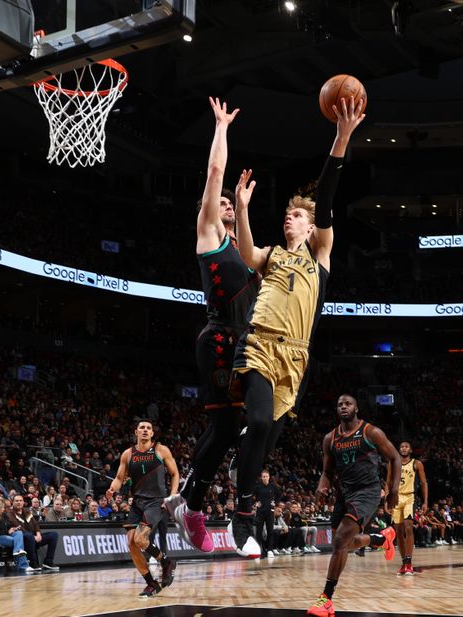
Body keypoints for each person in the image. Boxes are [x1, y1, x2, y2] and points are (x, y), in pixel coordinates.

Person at [228, 95, 366, 557]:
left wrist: (341, 137)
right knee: (260, 420)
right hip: (259, 345)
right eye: (289, 213)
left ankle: (243, 473)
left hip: (297, 356)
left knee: (267, 436)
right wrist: (243, 211)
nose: (292, 216)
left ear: (312, 228)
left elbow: (326, 195)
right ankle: (242, 511)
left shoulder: (320, 254)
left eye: (300, 215)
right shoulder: (272, 254)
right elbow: (246, 255)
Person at [166, 97, 260, 554]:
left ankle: (190, 499)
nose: (224, 203)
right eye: (220, 202)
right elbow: (214, 176)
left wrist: (242, 208)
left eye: (227, 204)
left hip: (243, 343)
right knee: (228, 427)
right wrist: (222, 128)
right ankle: (192, 504)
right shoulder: (209, 233)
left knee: (233, 427)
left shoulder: (243, 250)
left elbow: (253, 259)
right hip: (219, 339)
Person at [307, 394, 401, 617]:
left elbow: (395, 458)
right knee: (344, 545)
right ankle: (380, 538)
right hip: (343, 494)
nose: (343, 407)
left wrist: (393, 491)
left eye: (348, 403)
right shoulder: (330, 439)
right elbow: (327, 472)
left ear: (356, 408)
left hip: (367, 492)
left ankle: (326, 600)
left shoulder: (371, 432)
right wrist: (322, 486)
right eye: (339, 404)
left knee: (340, 540)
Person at [107, 419, 180, 597]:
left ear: (152, 433)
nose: (145, 430)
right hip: (137, 502)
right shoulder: (128, 454)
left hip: (156, 502)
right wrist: (112, 488)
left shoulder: (161, 450)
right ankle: (151, 583)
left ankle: (166, 562)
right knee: (132, 543)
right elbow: (119, 477)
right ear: (136, 432)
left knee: (140, 539)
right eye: (142, 428)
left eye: (149, 428)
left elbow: (175, 473)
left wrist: (171, 496)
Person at [388, 441, 428, 575]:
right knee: (398, 531)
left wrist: (425, 502)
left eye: (406, 446)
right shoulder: (393, 463)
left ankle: (409, 562)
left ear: (410, 450)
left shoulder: (416, 463)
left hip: (409, 497)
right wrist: (386, 501)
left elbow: (423, 483)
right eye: (401, 447)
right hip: (396, 498)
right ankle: (404, 562)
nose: (403, 448)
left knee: (409, 527)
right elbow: (388, 483)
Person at [7, 494, 60, 572]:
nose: (19, 502)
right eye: (16, 501)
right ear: (13, 502)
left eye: (20, 501)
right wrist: (33, 536)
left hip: (33, 537)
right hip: (23, 538)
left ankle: (48, 562)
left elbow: (35, 524)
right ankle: (33, 563)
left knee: (53, 535)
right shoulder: (10, 514)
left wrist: (38, 533)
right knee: (29, 535)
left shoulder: (27, 512)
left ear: (23, 502)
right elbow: (18, 526)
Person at [0, 499, 31, 572]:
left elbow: (8, 525)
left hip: (4, 535)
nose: (4, 509)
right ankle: (23, 565)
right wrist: (7, 532)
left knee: (19, 533)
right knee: (18, 542)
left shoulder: (3, 515)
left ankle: (18, 552)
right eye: (2, 507)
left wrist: (13, 529)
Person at [254, 469, 282, 558]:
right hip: (260, 512)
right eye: (263, 476)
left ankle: (270, 550)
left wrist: (276, 503)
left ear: (269, 477)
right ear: (261, 478)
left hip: (270, 512)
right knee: (259, 532)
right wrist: (255, 503)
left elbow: (279, 495)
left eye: (266, 476)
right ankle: (259, 550)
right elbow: (251, 496)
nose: (265, 478)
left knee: (270, 531)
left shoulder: (273, 486)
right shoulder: (257, 487)